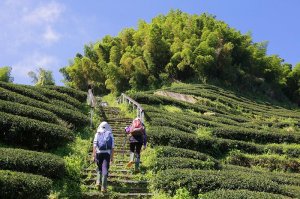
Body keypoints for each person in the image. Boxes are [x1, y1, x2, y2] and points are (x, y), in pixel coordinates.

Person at [92, 121, 114, 192]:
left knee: (99, 167)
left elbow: (94, 145)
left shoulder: (97, 134)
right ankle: (103, 187)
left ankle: (98, 181)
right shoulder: (110, 134)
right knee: (105, 169)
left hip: (98, 153)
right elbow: (112, 147)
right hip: (106, 154)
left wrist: (94, 155)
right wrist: (111, 157)